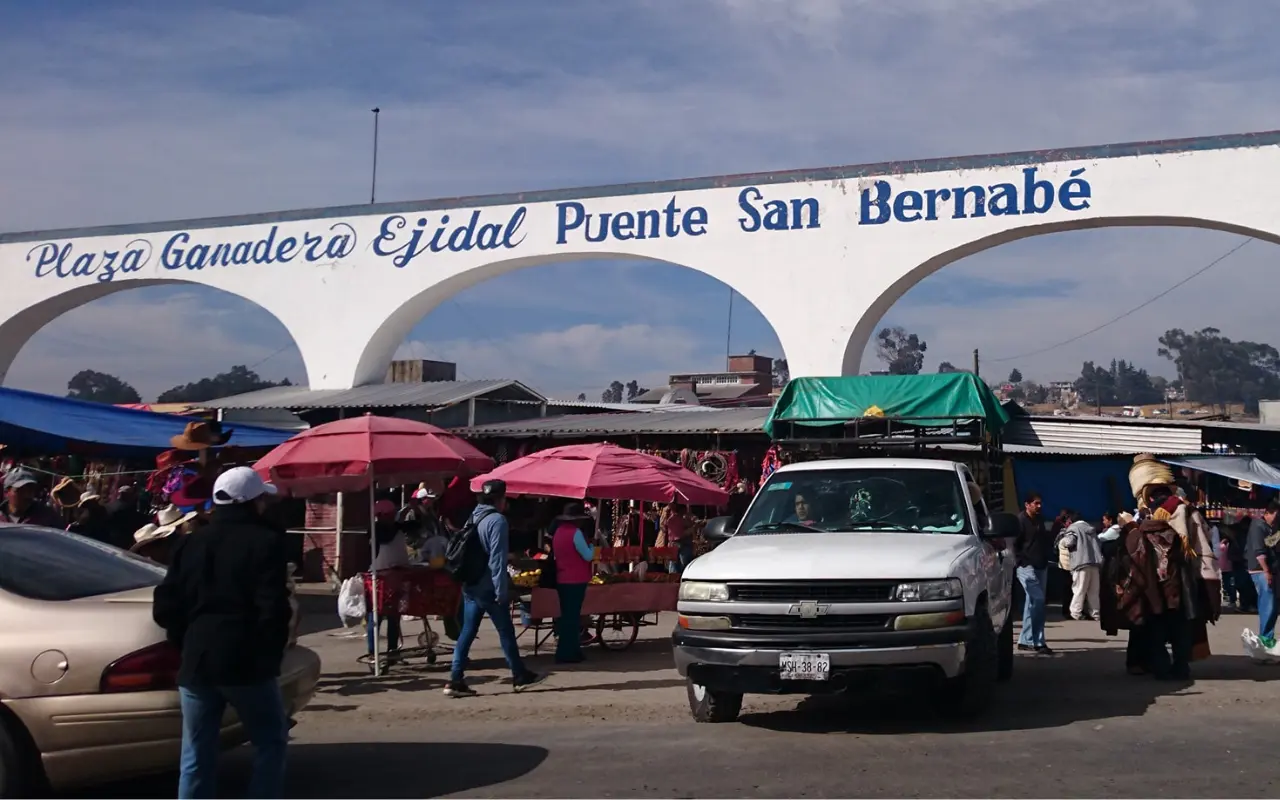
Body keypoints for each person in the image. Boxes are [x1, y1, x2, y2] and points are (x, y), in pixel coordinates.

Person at [153, 467, 292, 799]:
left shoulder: (190, 544)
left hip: (198, 660)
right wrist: (270, 656)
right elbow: (273, 609)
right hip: (247, 663)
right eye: (261, 499)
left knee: (196, 755)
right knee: (270, 741)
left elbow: (165, 607)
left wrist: (186, 641)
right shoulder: (266, 542)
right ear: (252, 502)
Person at [444, 479, 545, 697]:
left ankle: (455, 679)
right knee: (505, 631)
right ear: (501, 499)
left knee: (468, 632)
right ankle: (519, 675)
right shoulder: (497, 521)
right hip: (487, 586)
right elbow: (497, 560)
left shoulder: (475, 515)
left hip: (470, 584)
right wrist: (501, 591)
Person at [551, 502, 595, 664]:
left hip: (562, 578)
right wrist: (592, 546)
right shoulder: (576, 533)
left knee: (567, 617)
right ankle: (567, 652)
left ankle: (573, 650)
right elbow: (588, 556)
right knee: (572, 618)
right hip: (576, 579)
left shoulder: (558, 533)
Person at [369, 499, 410, 660]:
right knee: (377, 617)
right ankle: (375, 653)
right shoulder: (378, 531)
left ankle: (390, 651)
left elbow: (413, 525)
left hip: (391, 577)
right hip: (379, 578)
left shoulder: (393, 529)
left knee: (391, 617)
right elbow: (388, 535)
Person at [1014, 491, 1052, 654]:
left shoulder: (1040, 520)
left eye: (1040, 503)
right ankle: (1037, 641)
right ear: (1027, 504)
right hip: (1026, 566)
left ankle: (1025, 640)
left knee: (1033, 603)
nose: (1039, 506)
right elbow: (1014, 544)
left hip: (1041, 565)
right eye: (1035, 503)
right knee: (1038, 600)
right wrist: (1020, 562)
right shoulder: (1020, 521)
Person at [1057, 510, 1104, 621]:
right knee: (1094, 591)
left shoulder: (1073, 529)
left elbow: (1070, 542)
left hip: (1081, 562)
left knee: (1079, 589)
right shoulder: (1091, 528)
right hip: (1095, 562)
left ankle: (1075, 612)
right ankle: (1095, 613)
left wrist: (1063, 542)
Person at [1244, 500, 1279, 646]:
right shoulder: (1258, 526)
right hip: (1261, 569)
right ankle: (1265, 640)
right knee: (1268, 606)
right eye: (1276, 515)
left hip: (1268, 569)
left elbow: (1270, 543)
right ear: (1267, 514)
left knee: (1271, 605)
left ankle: (1267, 639)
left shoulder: (1271, 528)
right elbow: (1259, 551)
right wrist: (1266, 571)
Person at [664, 503, 694, 571]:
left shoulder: (672, 519)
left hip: (674, 545)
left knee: (673, 565)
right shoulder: (675, 519)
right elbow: (680, 534)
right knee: (683, 566)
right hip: (681, 545)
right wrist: (692, 529)